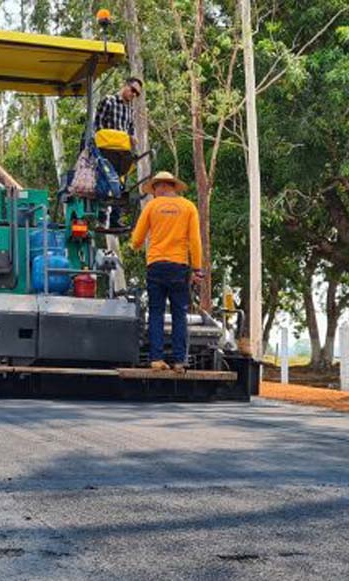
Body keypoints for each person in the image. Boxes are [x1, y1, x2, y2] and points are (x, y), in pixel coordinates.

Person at [129, 172, 205, 373]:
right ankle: (179, 361)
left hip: (156, 266)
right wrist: (197, 268)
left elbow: (137, 240)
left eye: (154, 190)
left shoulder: (151, 207)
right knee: (180, 314)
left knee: (156, 313)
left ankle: (156, 359)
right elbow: (195, 242)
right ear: (172, 186)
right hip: (179, 267)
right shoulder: (189, 207)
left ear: (159, 187)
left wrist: (134, 245)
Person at [92, 77, 143, 232]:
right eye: (133, 90)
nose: (134, 94)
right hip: (106, 150)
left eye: (137, 93)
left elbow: (130, 129)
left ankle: (115, 219)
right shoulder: (108, 101)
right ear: (125, 85)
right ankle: (101, 219)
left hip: (122, 153)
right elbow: (98, 126)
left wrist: (133, 138)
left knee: (121, 186)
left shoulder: (130, 110)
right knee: (103, 183)